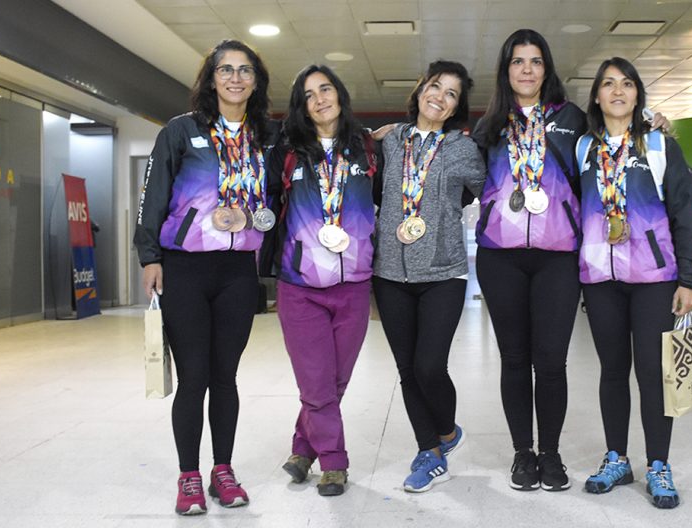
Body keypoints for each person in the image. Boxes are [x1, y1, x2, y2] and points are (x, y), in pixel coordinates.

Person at [134, 39, 279, 515]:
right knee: (194, 376)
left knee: (226, 376)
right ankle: (189, 476)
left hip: (238, 271)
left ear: (256, 81)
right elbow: (153, 194)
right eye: (225, 70)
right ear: (211, 79)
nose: (235, 78)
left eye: (245, 71)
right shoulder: (181, 131)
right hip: (186, 267)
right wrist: (149, 255)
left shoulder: (266, 136)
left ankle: (223, 469)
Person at [574, 57, 692, 509]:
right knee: (612, 371)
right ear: (596, 95)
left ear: (637, 94)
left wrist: (688, 278)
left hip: (654, 278)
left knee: (652, 373)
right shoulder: (584, 148)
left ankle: (659, 465)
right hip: (601, 279)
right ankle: (617, 459)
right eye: (608, 84)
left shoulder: (659, 144)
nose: (617, 91)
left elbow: (685, 211)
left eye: (626, 84)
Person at [471, 28, 587, 492]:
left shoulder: (573, 118)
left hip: (558, 257)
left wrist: (653, 127)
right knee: (514, 359)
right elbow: (456, 175)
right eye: (517, 61)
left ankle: (552, 453)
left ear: (547, 69)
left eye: (535, 61)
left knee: (552, 360)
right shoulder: (489, 125)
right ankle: (523, 452)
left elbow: (609, 155)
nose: (526, 69)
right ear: (506, 70)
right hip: (501, 258)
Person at [371, 60, 486, 493]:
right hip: (389, 273)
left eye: (452, 93)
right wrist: (371, 135)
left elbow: (489, 186)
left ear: (457, 106)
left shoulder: (462, 148)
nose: (440, 96)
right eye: (435, 86)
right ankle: (431, 453)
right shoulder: (391, 141)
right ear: (420, 89)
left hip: (443, 273)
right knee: (406, 369)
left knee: (429, 365)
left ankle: (447, 431)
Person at [270, 64, 378, 497]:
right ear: (301, 106)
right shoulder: (286, 151)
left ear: (340, 94)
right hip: (300, 286)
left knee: (332, 381)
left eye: (326, 89)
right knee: (316, 379)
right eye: (308, 94)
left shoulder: (368, 148)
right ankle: (334, 461)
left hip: (354, 284)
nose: (319, 99)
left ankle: (302, 447)